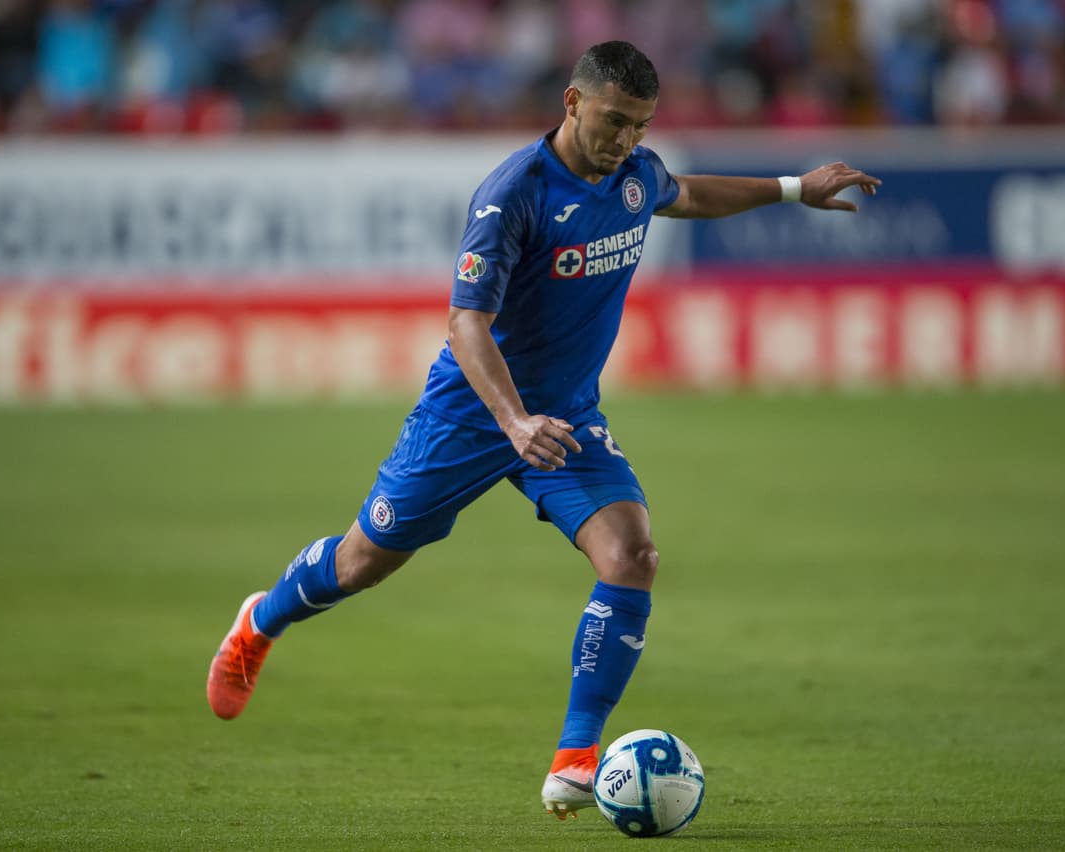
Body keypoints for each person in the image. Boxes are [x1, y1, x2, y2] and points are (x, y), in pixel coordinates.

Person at [206, 40, 880, 820]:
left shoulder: (634, 176)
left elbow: (687, 192)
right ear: (571, 102)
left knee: (632, 556)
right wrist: (512, 420)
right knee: (361, 563)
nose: (624, 139)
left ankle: (576, 757)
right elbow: (466, 324)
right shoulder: (513, 194)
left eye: (639, 125)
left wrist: (796, 187)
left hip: (564, 418)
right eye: (613, 120)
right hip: (471, 414)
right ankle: (261, 621)